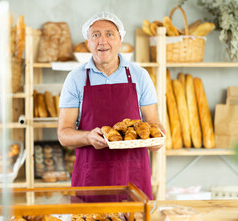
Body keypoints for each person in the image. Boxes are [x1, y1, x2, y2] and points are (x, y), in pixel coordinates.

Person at [57, 11, 164, 200]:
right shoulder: (75, 78)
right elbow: (64, 135)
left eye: (110, 34)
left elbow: (153, 124)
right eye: (95, 35)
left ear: (120, 39)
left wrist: (157, 139)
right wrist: (88, 137)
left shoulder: (140, 76)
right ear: (88, 42)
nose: (102, 41)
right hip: (92, 177)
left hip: (133, 177)